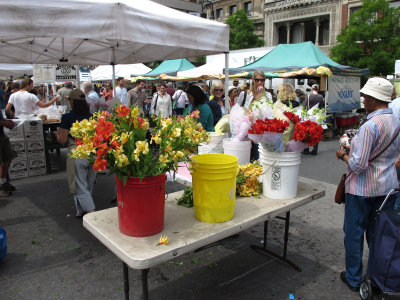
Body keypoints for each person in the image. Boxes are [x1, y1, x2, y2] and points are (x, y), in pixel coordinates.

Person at [335, 77, 400, 292]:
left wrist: (343, 154)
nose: (363, 99)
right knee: (377, 235)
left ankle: (354, 278)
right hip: (387, 187)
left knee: (354, 235)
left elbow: (358, 165)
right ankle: (376, 276)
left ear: (373, 99)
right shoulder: (396, 122)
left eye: (365, 96)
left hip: (361, 189)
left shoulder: (370, 126)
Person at [56, 89, 95, 218]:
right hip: (92, 153)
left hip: (77, 153)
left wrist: (56, 134)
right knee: (88, 183)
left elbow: (62, 139)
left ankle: (90, 212)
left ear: (72, 101)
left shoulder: (67, 117)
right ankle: (80, 209)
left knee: (79, 185)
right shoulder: (91, 116)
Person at [237, 70, 270, 160]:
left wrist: (261, 96)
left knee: (258, 158)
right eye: (257, 80)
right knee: (244, 158)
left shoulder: (268, 95)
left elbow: (268, 112)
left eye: (262, 80)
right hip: (245, 131)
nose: (259, 82)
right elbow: (237, 110)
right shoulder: (245, 94)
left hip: (260, 132)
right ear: (253, 80)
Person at [302, 84, 324, 155]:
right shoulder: (321, 97)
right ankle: (315, 150)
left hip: (309, 116)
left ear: (312, 89)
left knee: (307, 132)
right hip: (317, 116)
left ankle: (306, 149)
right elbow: (321, 107)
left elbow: (305, 106)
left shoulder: (308, 96)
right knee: (315, 132)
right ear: (318, 89)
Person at [0, 112, 17, 196]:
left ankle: (3, 182)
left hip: (1, 135)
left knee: (7, 158)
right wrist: (5, 123)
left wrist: (6, 121)